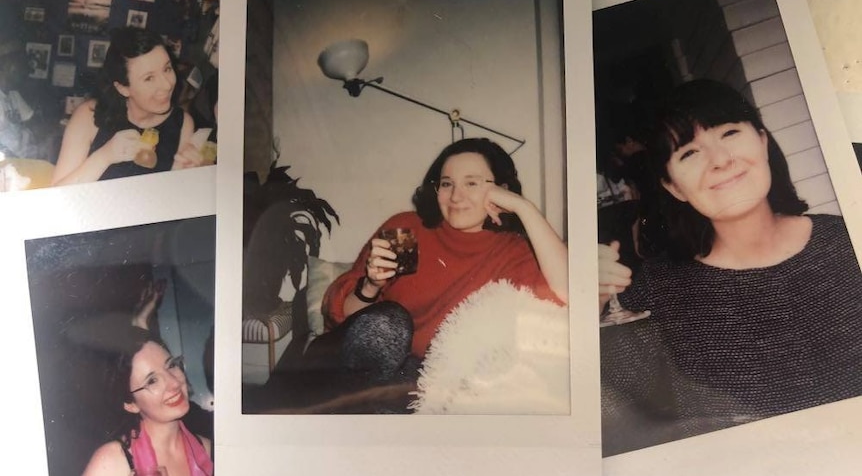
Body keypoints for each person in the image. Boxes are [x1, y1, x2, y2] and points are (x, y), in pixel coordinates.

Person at [597, 79, 862, 454]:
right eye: (689, 153)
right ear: (672, 186)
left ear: (763, 141)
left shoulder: (848, 239)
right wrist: (586, 306)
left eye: (730, 133)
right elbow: (608, 408)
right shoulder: (660, 289)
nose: (721, 160)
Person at [313, 138, 568, 396]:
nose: (456, 196)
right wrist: (370, 286)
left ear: (502, 190)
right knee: (389, 324)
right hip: (351, 370)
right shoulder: (407, 229)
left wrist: (524, 208)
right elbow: (337, 317)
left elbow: (569, 297)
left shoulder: (513, 252)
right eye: (447, 184)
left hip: (418, 388)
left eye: (472, 183)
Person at [52, 27, 201, 185]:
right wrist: (105, 156)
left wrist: (183, 175)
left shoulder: (183, 122)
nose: (166, 85)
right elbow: (57, 198)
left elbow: (170, 197)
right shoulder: (88, 115)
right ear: (123, 88)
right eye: (149, 78)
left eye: (167, 69)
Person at [81, 327, 213, 475]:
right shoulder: (112, 461)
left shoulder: (209, 451)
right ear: (131, 404)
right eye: (152, 381)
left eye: (171, 365)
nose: (174, 383)